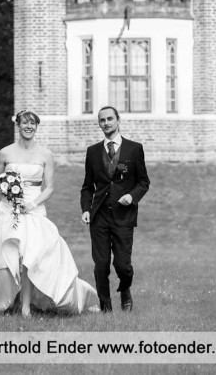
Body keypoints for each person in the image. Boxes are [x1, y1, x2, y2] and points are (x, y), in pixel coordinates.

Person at [0, 111, 99, 315]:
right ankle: (6, 302)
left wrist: (32, 204)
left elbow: (49, 188)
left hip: (34, 210)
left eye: (32, 123)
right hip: (8, 210)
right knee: (7, 257)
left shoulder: (45, 155)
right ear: (18, 125)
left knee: (31, 257)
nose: (28, 126)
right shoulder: (5, 153)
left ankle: (25, 307)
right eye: (25, 123)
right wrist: (4, 187)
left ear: (36, 127)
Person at [80, 106, 150, 312]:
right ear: (99, 124)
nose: (106, 123)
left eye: (110, 119)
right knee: (101, 265)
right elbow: (87, 187)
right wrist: (86, 209)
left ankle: (125, 290)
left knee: (123, 266)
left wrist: (132, 196)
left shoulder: (134, 149)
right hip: (99, 216)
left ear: (118, 120)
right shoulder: (93, 152)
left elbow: (144, 182)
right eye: (102, 120)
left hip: (123, 216)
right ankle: (105, 306)